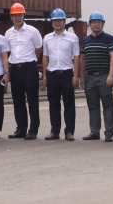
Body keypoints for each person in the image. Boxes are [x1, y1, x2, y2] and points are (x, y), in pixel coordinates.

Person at [5, 3, 43, 140]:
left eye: (19, 15)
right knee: (18, 100)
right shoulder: (8, 33)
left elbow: (38, 49)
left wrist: (30, 61)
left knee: (32, 100)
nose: (17, 18)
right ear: (11, 17)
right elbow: (7, 51)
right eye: (14, 15)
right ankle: (21, 129)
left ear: (24, 16)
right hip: (15, 69)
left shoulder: (33, 31)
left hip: (29, 68)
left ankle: (33, 130)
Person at [42, 8, 80, 141]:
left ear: (64, 21)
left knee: (69, 104)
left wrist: (75, 75)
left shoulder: (72, 38)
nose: (57, 23)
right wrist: (45, 75)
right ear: (52, 22)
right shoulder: (47, 38)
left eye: (59, 20)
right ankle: (54, 131)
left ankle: (69, 131)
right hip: (52, 74)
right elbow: (45, 56)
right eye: (54, 21)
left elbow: (76, 57)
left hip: (67, 73)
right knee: (53, 104)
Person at [80, 11, 113, 142]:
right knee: (93, 106)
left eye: (99, 22)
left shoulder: (109, 39)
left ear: (103, 24)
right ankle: (94, 132)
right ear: (90, 24)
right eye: (94, 22)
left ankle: (109, 133)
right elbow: (83, 59)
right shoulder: (86, 40)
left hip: (104, 76)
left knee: (107, 106)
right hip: (90, 78)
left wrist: (111, 75)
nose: (96, 24)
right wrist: (82, 76)